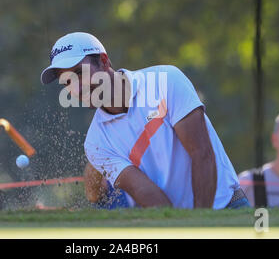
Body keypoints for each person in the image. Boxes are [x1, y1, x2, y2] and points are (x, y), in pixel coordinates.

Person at [41, 32, 248, 209]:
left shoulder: (167, 80)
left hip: (228, 207)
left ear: (104, 62)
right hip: (178, 225)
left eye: (80, 73)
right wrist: (185, 228)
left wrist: (199, 224)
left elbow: (202, 154)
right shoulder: (96, 144)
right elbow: (147, 194)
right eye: (67, 81)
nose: (76, 89)